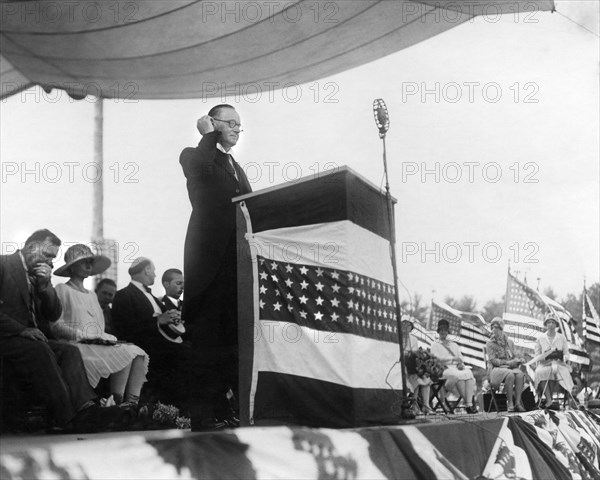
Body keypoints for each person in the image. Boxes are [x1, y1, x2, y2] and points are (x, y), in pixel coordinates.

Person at [0, 229, 123, 432]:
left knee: (69, 351)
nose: (50, 262)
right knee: (40, 350)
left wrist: (45, 285)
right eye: (47, 255)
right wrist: (21, 330)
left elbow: (53, 314)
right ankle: (67, 418)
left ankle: (86, 409)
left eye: (53, 258)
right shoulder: (4, 265)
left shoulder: (37, 276)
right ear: (31, 247)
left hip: (32, 339)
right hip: (8, 336)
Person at [179, 104, 252, 428]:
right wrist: (207, 136)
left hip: (237, 266)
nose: (237, 129)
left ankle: (225, 411)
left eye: (240, 125)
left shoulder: (236, 165)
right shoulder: (194, 155)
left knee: (230, 343)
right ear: (211, 123)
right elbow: (201, 175)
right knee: (206, 342)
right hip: (208, 266)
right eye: (231, 123)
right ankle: (202, 417)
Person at [51, 244, 149, 408]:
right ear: (72, 267)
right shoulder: (62, 289)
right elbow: (55, 326)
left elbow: (99, 328)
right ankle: (116, 404)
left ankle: (130, 404)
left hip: (94, 344)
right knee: (126, 353)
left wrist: (107, 338)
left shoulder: (91, 295)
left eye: (90, 262)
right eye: (84, 262)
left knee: (136, 351)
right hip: (74, 346)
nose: (89, 266)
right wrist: (82, 335)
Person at [112, 257, 192, 411]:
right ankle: (179, 410)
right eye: (153, 271)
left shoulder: (154, 298)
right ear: (146, 270)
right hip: (146, 347)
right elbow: (125, 328)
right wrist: (158, 321)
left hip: (163, 346)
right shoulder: (124, 295)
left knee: (192, 349)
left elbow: (165, 326)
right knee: (186, 354)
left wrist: (173, 319)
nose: (155, 275)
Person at [430, 319, 477, 414]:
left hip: (456, 368)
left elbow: (460, 358)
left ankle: (468, 404)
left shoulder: (454, 345)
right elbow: (436, 359)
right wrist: (451, 359)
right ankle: (468, 404)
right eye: (441, 330)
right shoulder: (435, 344)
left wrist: (460, 363)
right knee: (457, 376)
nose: (443, 332)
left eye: (445, 330)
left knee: (469, 374)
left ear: (448, 332)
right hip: (443, 368)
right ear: (438, 332)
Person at [485, 317, 526, 412]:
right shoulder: (490, 344)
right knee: (510, 375)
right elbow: (493, 360)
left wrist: (519, 359)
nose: (495, 330)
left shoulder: (509, 342)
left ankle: (517, 403)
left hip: (510, 367)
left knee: (520, 374)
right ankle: (510, 403)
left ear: (501, 329)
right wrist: (507, 363)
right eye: (493, 328)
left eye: (497, 328)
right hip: (496, 369)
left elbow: (514, 354)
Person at [534, 312, 573, 408]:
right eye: (549, 322)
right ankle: (549, 399)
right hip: (545, 364)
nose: (551, 325)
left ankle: (558, 399)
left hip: (559, 364)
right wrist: (545, 355)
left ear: (556, 325)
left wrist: (564, 357)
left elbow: (566, 353)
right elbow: (537, 355)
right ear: (546, 324)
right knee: (539, 372)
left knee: (557, 371)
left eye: (553, 323)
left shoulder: (562, 337)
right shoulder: (540, 338)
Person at [401, 317, 433, 415]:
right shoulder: (396, 337)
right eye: (403, 324)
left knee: (425, 376)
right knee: (416, 378)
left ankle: (426, 406)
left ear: (411, 327)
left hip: (411, 365)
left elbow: (415, 354)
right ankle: (415, 405)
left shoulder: (413, 339)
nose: (406, 326)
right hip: (400, 365)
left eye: (408, 324)